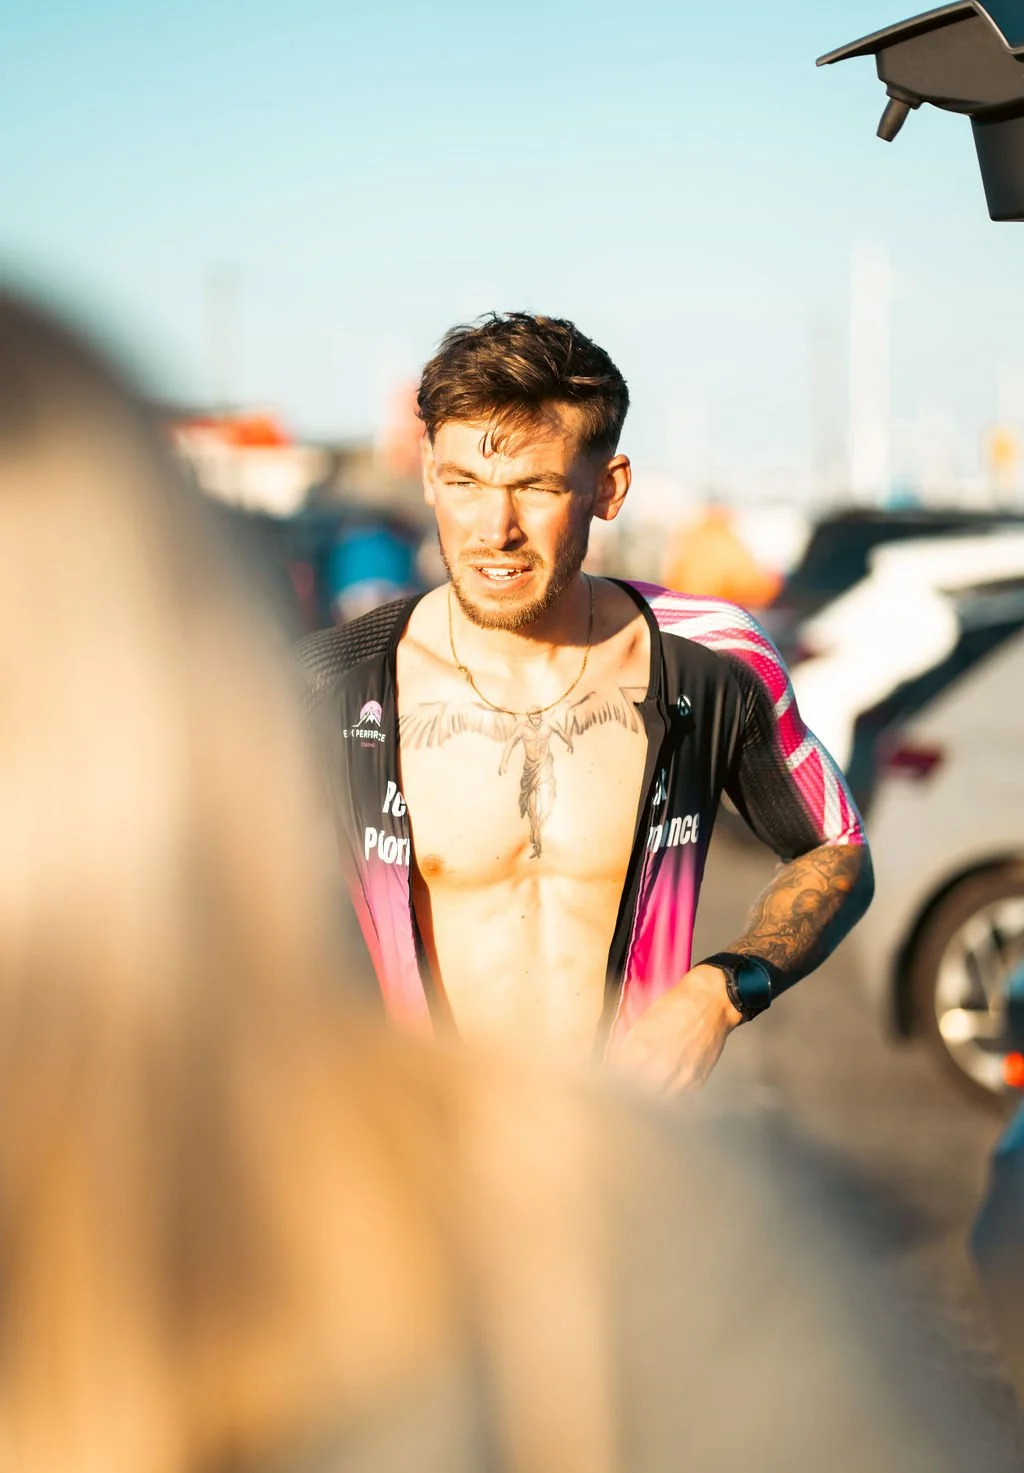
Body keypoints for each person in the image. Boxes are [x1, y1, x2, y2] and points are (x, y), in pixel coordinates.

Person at [298, 313, 874, 1088]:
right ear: (430, 474)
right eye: (466, 483)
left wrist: (722, 989)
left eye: (534, 486)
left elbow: (836, 846)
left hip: (626, 1160)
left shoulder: (707, 659)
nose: (493, 530)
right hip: (419, 1163)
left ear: (608, 488)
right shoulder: (334, 683)